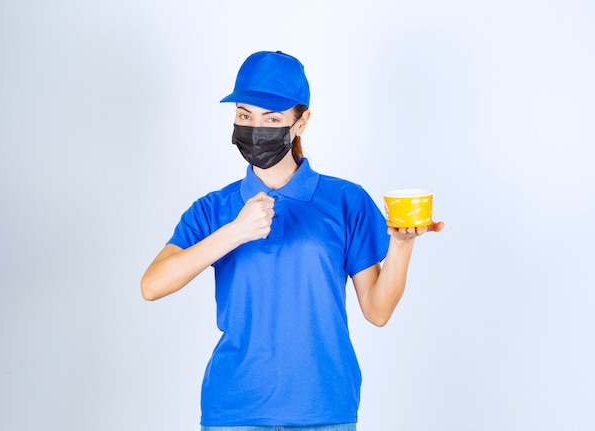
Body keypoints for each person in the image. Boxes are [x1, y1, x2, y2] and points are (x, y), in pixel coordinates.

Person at [141, 50, 444, 431]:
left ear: (301, 122)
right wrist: (235, 231)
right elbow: (152, 286)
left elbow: (377, 311)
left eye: (272, 118)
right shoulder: (214, 209)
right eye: (244, 115)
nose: (255, 127)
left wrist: (401, 246)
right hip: (234, 411)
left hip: (324, 409)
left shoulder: (345, 200)